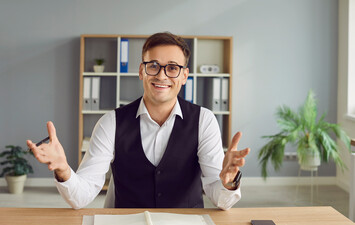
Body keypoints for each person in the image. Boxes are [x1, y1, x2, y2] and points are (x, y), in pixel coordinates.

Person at [27, 32, 250, 210]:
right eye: (153, 65)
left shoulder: (204, 121)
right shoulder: (111, 123)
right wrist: (64, 169)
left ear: (184, 76)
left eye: (172, 68)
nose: (162, 76)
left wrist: (229, 181)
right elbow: (81, 197)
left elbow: (221, 201)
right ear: (141, 71)